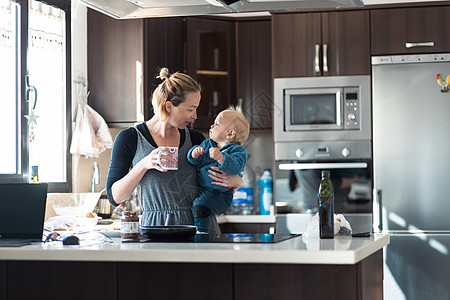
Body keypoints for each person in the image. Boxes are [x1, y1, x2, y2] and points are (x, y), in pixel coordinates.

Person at [106, 68, 243, 235]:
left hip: (199, 231)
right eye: (190, 109)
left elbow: (216, 184)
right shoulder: (130, 138)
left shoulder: (196, 140)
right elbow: (115, 197)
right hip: (155, 231)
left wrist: (236, 182)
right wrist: (144, 164)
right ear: (169, 106)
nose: (195, 116)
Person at [187, 107, 250, 233]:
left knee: (199, 205)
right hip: (205, 189)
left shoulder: (238, 151)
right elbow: (195, 162)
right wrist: (194, 154)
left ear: (230, 134)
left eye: (216, 124)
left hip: (220, 195)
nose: (211, 125)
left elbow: (236, 167)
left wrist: (221, 158)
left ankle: (202, 232)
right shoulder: (207, 144)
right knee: (198, 205)